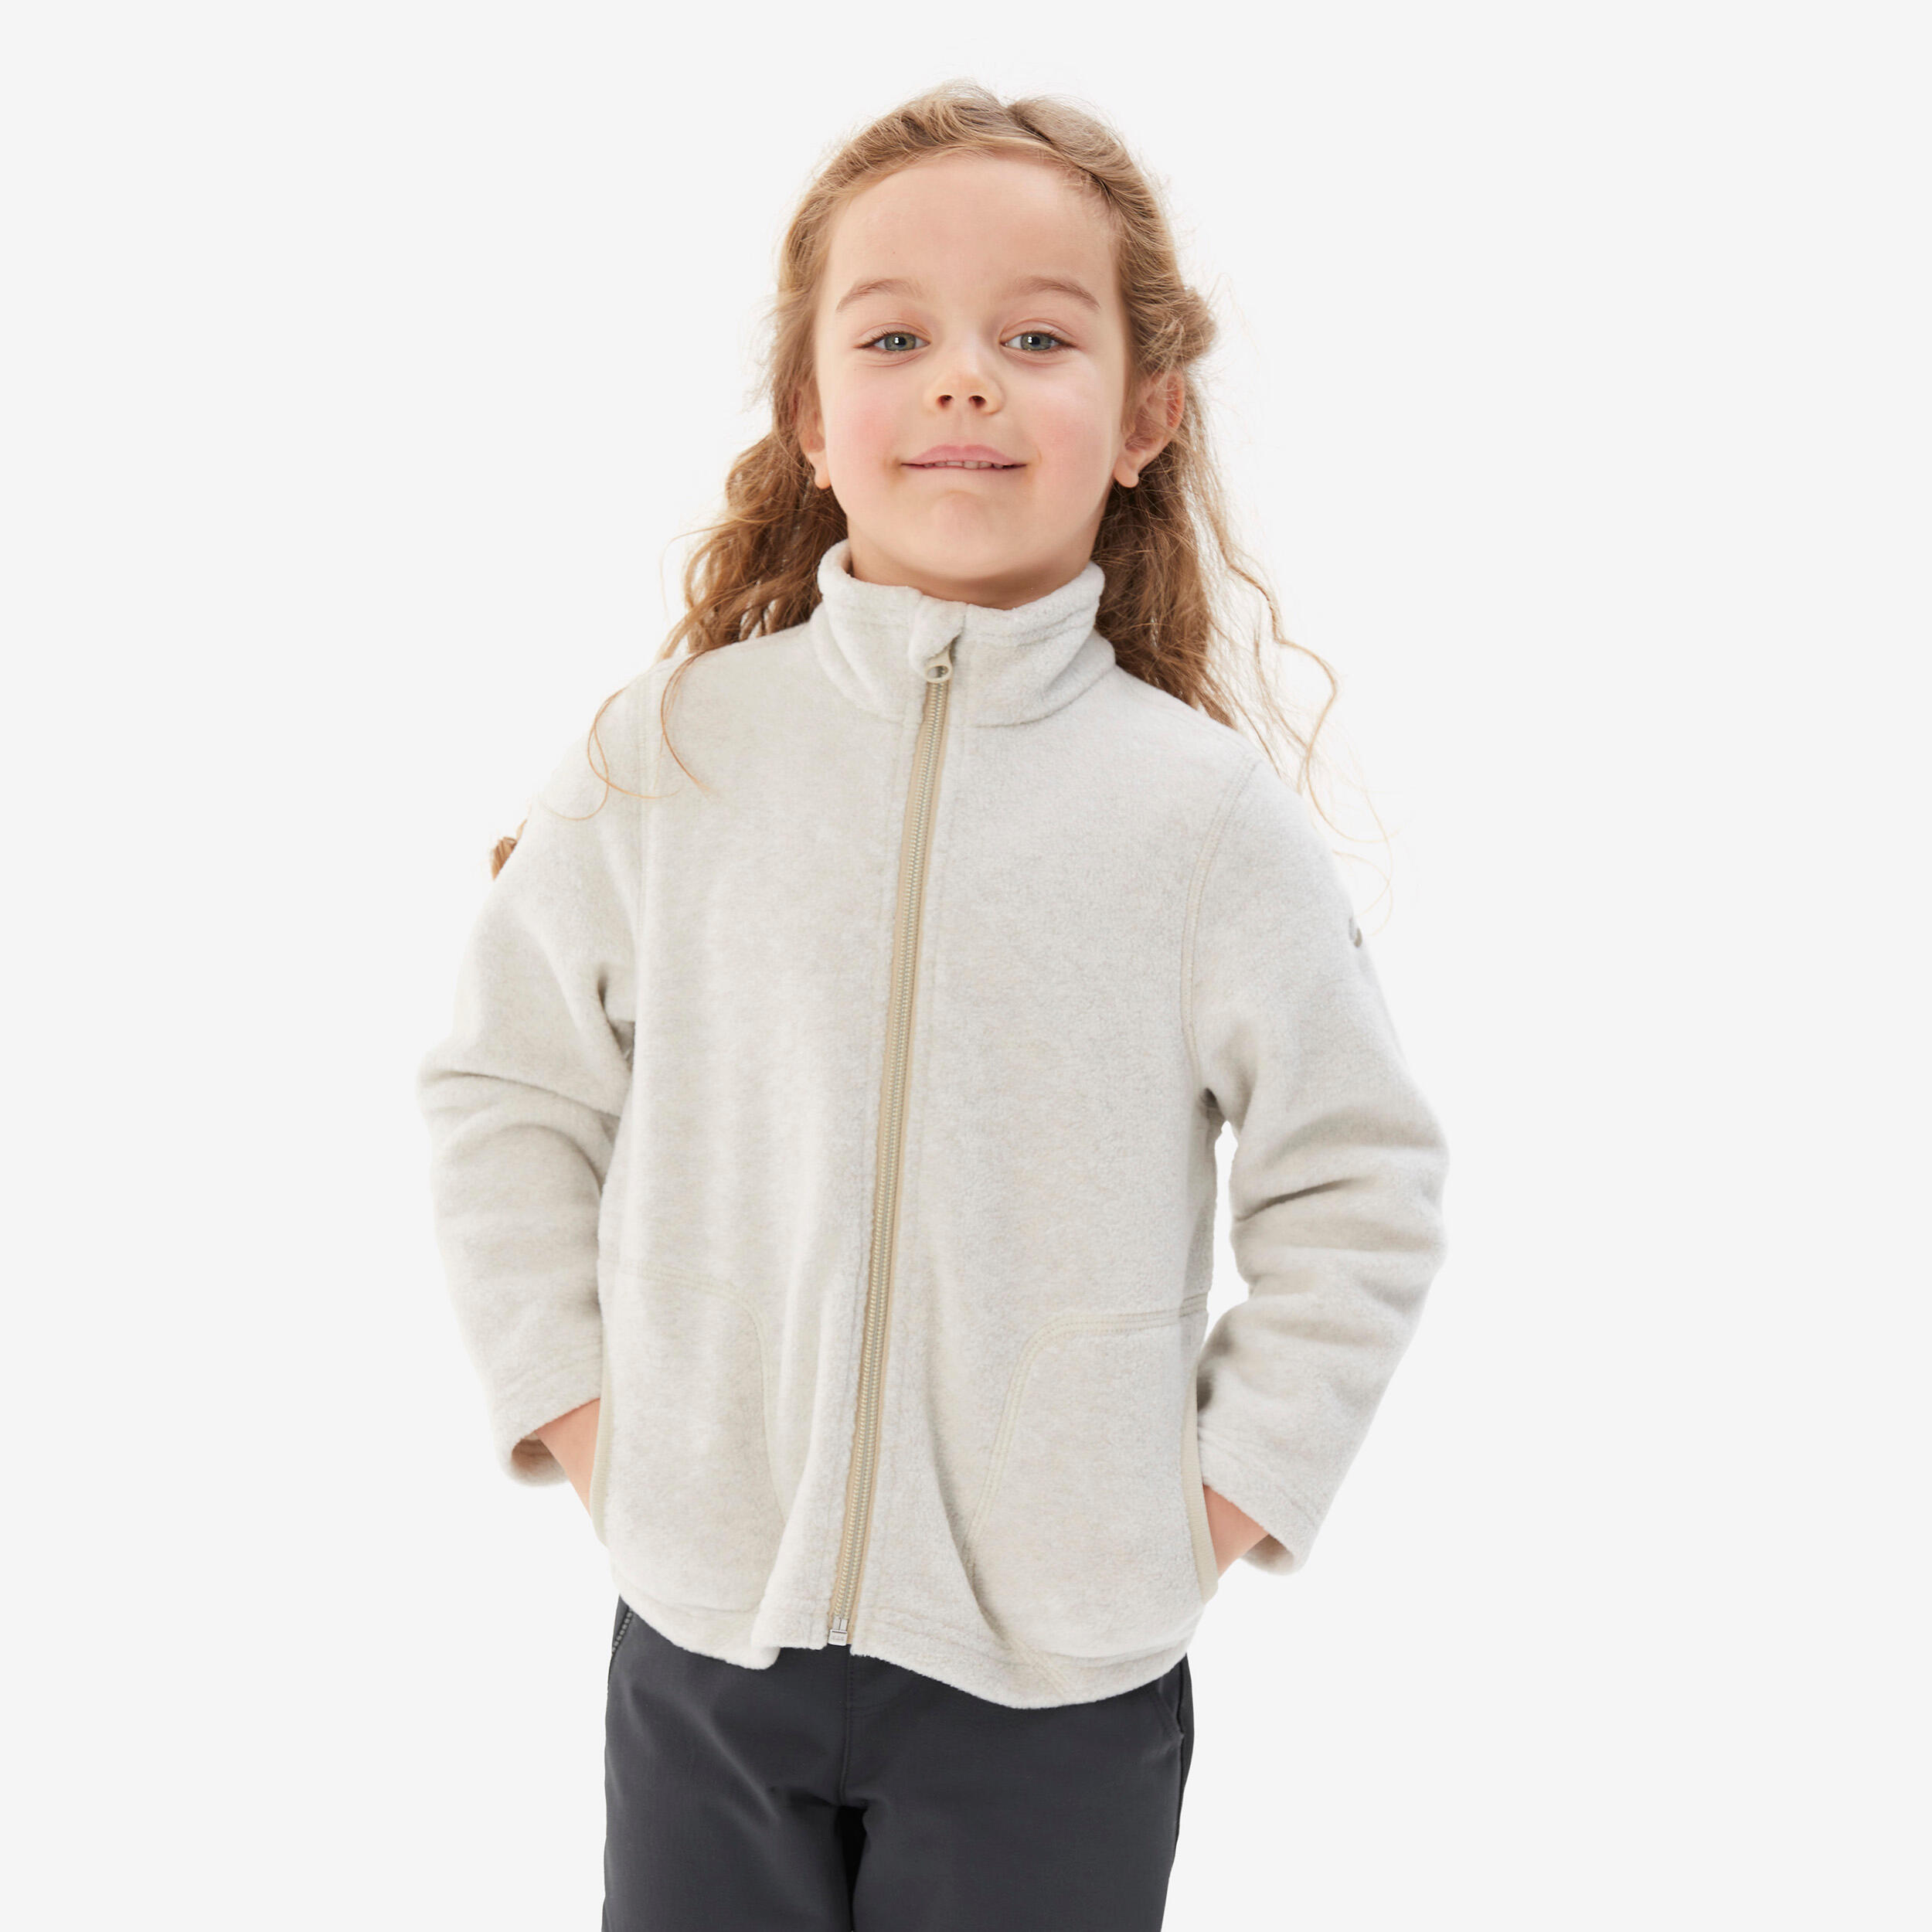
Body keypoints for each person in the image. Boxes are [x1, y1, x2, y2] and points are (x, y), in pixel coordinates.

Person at [416, 78, 1450, 1932]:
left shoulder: (1198, 819)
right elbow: (507, 1084)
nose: (962, 380)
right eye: (895, 338)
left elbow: (1354, 1176)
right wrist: (579, 1411)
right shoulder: (671, 753)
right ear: (811, 418)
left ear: (1143, 415)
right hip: (703, 1624)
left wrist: (1213, 1497)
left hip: (1056, 1678)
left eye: (1034, 338)